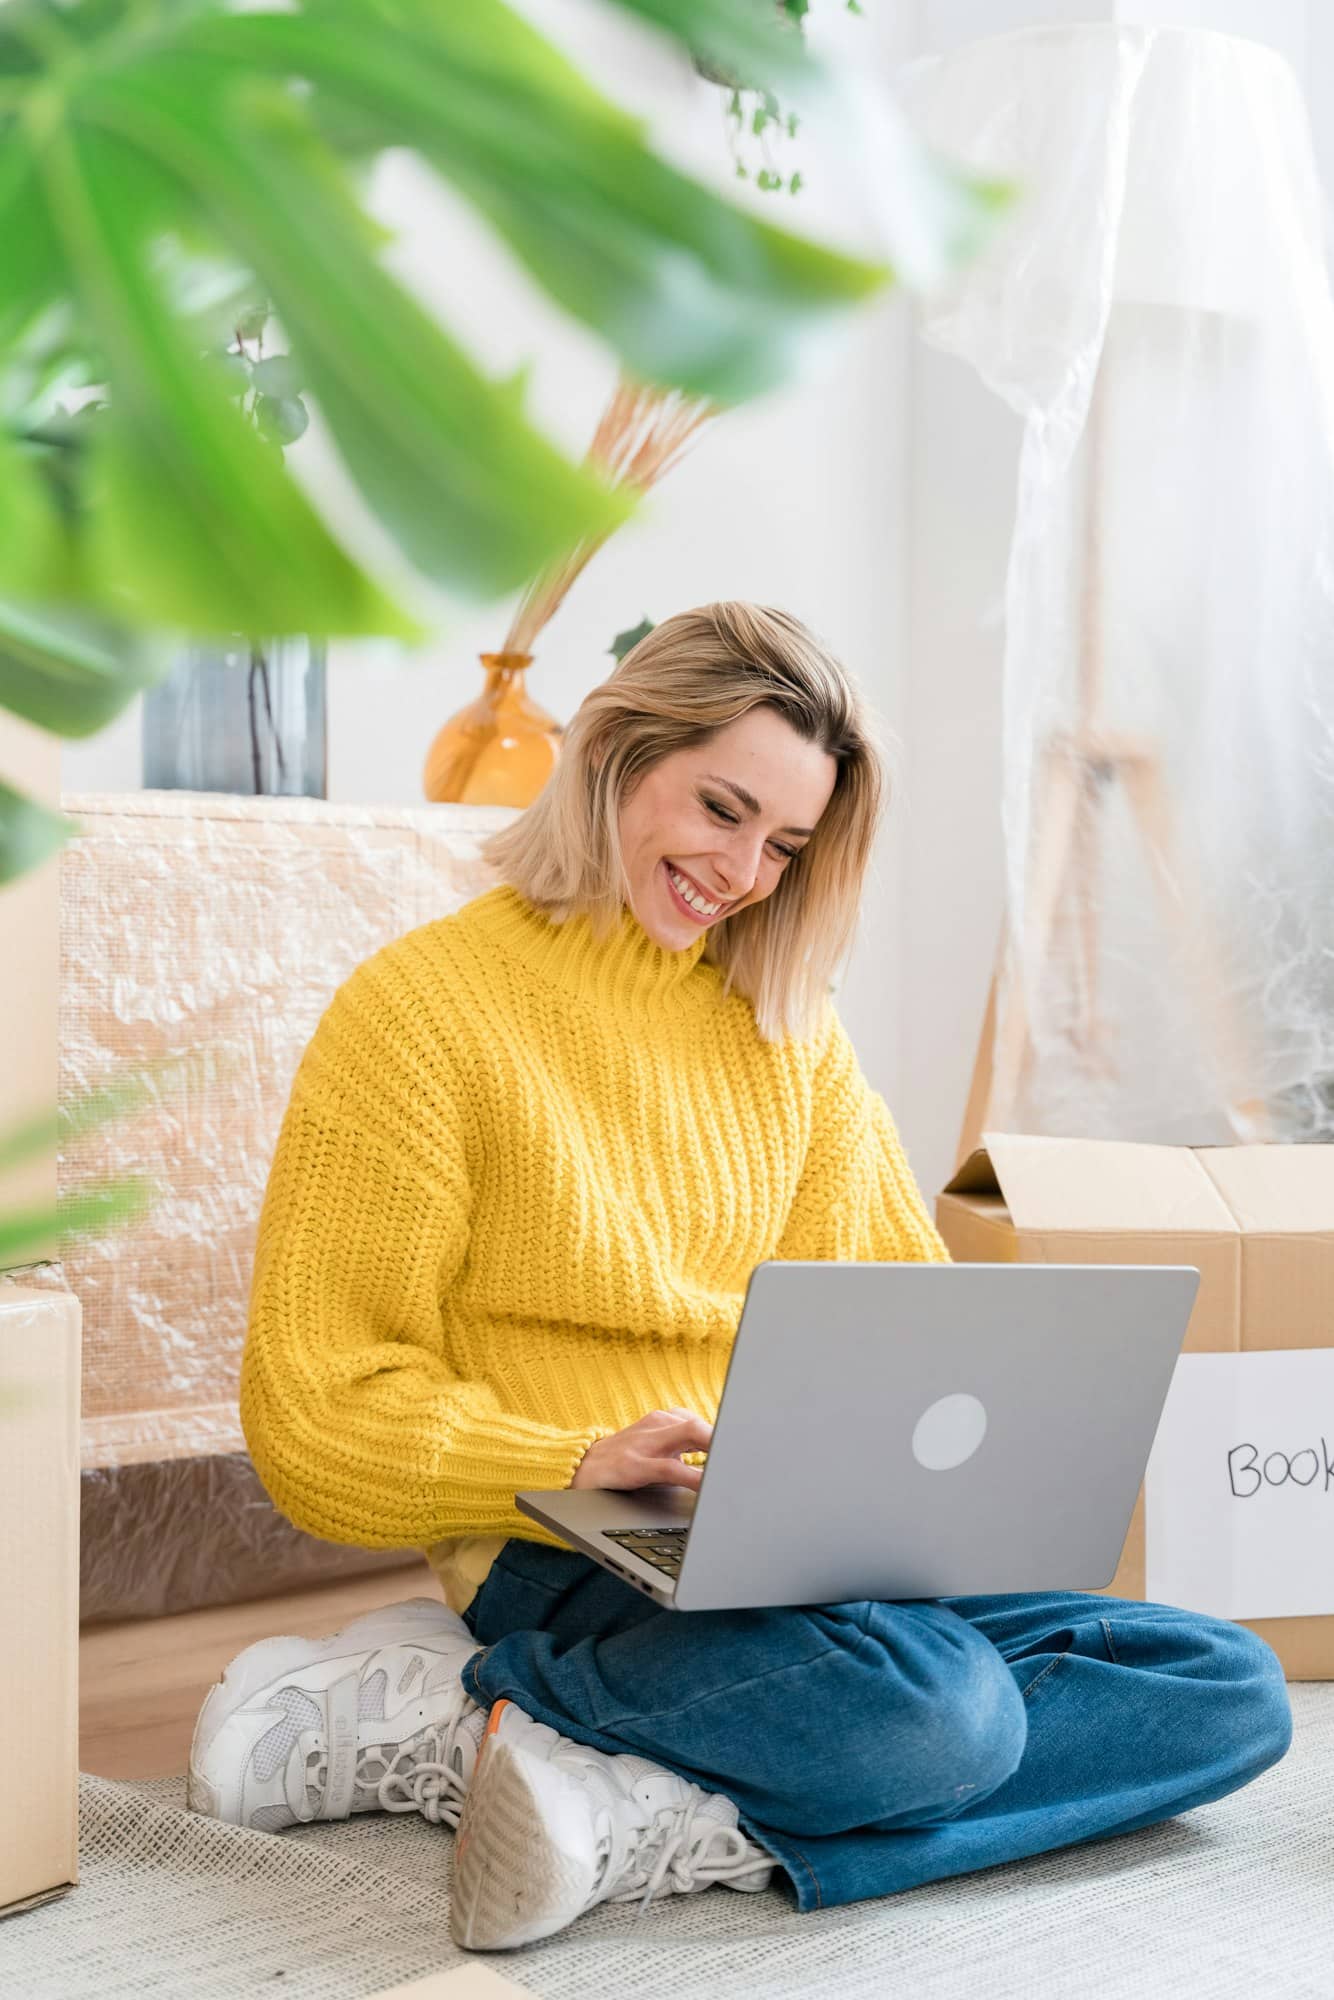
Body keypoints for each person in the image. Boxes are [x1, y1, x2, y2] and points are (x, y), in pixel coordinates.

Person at [188, 603, 1291, 1951]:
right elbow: (312, 1419)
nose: (741, 871)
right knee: (929, 1716)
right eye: (719, 808)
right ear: (613, 754)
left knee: (1223, 1688)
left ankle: (651, 1809)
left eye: (782, 844)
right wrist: (580, 1459)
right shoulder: (421, 1012)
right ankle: (468, 1689)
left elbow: (907, 1322)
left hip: (803, 1541)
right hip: (573, 1539)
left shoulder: (789, 1036)